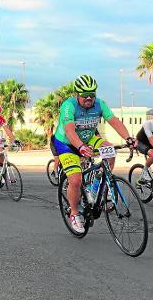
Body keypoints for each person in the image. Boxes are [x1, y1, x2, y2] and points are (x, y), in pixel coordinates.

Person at [52, 74, 135, 233]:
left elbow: (114, 121)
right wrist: (81, 147)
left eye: (92, 94)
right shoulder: (69, 106)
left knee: (110, 150)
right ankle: (74, 214)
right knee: (76, 179)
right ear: (77, 94)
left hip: (88, 138)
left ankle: (94, 186)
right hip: (67, 143)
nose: (89, 98)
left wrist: (128, 138)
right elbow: (69, 130)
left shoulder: (100, 104)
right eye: (85, 95)